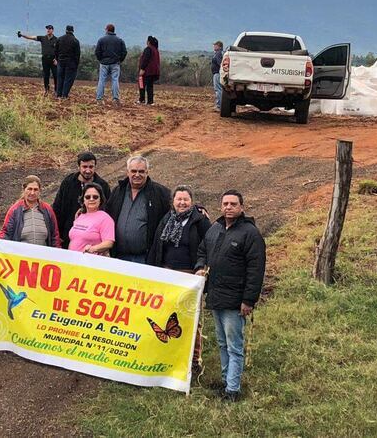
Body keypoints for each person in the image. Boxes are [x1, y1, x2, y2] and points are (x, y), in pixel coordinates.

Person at [195, 190, 266, 402]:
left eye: (233, 204)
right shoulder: (214, 229)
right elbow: (202, 252)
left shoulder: (250, 234)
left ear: (241, 207)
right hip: (216, 296)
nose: (228, 207)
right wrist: (200, 267)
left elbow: (256, 269)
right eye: (225, 203)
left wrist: (248, 300)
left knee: (234, 346)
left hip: (236, 300)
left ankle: (233, 390)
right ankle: (226, 382)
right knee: (221, 343)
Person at [147, 185, 211, 372]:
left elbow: (207, 246)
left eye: (186, 199)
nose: (182, 203)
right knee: (166, 315)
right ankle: (169, 354)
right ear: (172, 201)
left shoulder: (200, 221)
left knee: (191, 316)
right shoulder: (166, 219)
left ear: (192, 202)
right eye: (179, 199)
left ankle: (194, 358)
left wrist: (201, 268)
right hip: (167, 274)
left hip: (190, 275)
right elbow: (157, 246)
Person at [105, 155, 170, 263]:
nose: (137, 175)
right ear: (128, 172)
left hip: (144, 258)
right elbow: (106, 213)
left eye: (141, 171)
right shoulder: (118, 191)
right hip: (118, 257)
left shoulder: (159, 192)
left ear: (147, 172)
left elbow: (178, 205)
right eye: (133, 171)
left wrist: (197, 208)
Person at [53, 151, 111, 249]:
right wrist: (58, 234)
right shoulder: (68, 183)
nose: (88, 170)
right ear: (79, 167)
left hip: (92, 241)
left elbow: (108, 211)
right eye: (84, 167)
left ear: (95, 167)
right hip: (68, 236)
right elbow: (58, 208)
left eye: (91, 167)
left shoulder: (103, 186)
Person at [0, 175, 61, 247]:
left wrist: (57, 251)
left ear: (39, 191)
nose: (32, 193)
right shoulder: (15, 210)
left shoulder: (47, 210)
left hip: (43, 255)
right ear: (24, 189)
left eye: (35, 189)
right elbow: (6, 233)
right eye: (29, 189)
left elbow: (55, 235)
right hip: (20, 255)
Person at [67, 182, 115, 256]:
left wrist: (93, 248)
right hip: (73, 261)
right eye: (88, 197)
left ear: (100, 199)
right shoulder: (80, 215)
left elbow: (109, 243)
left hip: (91, 263)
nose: (91, 199)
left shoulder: (105, 218)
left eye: (95, 197)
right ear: (83, 199)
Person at [18, 25, 57, 95]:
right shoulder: (42, 38)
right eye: (47, 29)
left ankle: (56, 91)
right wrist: (22, 35)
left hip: (53, 60)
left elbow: (59, 50)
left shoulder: (56, 40)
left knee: (55, 75)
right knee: (46, 75)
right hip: (45, 59)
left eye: (50, 29)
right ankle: (46, 90)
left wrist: (57, 59)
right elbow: (31, 37)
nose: (48, 30)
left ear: (53, 30)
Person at [95, 23, 127, 106]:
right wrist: (120, 60)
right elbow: (124, 52)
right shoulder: (120, 40)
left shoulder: (101, 40)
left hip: (104, 63)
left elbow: (97, 52)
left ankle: (99, 99)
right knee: (115, 80)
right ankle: (115, 99)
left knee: (101, 80)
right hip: (115, 63)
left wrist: (101, 60)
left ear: (107, 30)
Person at [54, 25, 81, 99]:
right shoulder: (75, 41)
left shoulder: (59, 39)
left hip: (61, 61)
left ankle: (58, 94)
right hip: (71, 63)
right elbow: (77, 54)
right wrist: (76, 64)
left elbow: (55, 51)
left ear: (65, 30)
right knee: (68, 79)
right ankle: (64, 95)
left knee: (60, 78)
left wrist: (57, 59)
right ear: (73, 31)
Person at [138, 35, 161, 105]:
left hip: (147, 71)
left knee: (141, 84)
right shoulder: (156, 50)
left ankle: (142, 100)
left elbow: (145, 59)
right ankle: (150, 101)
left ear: (148, 42)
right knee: (150, 86)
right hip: (154, 72)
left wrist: (142, 69)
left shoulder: (148, 49)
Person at [211, 41, 224, 110]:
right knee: (218, 89)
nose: (214, 47)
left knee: (218, 89)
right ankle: (219, 105)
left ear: (219, 46)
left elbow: (220, 64)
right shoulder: (218, 53)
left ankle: (219, 106)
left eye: (215, 45)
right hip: (216, 73)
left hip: (217, 73)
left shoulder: (218, 54)